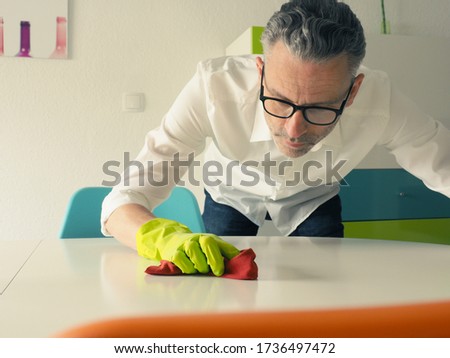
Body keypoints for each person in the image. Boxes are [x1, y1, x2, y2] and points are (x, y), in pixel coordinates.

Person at [101, 0, 450, 276]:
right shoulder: (213, 89)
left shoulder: (380, 101)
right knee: (219, 289)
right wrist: (160, 237)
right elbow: (122, 199)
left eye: (321, 108)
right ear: (260, 70)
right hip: (230, 191)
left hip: (313, 196)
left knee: (327, 288)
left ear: (354, 91)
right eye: (280, 101)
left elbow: (444, 166)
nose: (295, 131)